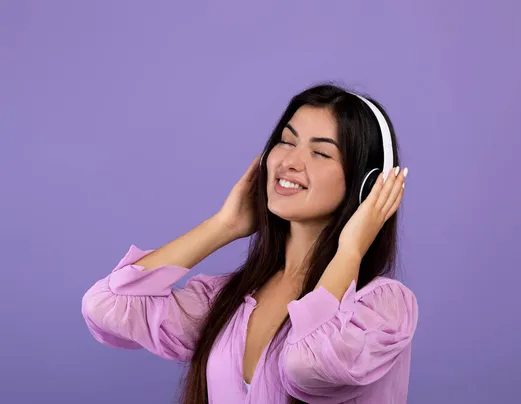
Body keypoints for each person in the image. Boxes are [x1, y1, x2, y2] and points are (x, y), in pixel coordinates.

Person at [81, 84, 418, 404]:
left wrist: (351, 251)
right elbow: (107, 304)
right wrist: (222, 226)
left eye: (319, 152)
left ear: (369, 184)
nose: (290, 161)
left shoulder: (381, 310)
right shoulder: (228, 300)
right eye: (286, 141)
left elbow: (309, 362)